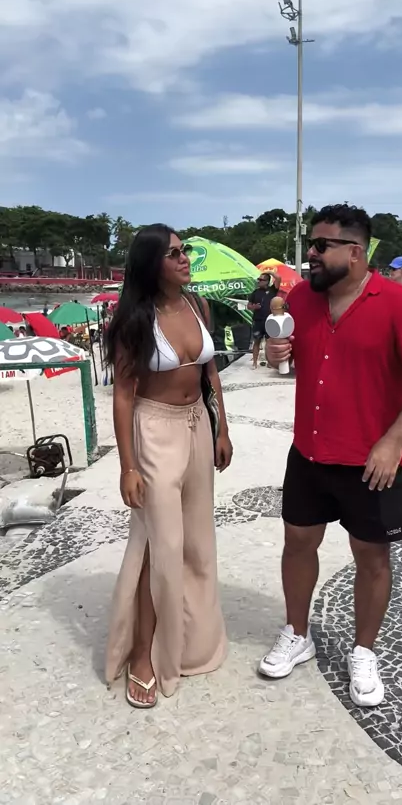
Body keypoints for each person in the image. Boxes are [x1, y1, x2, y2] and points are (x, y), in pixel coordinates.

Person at [260, 204, 402, 707]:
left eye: (322, 246)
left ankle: (364, 650)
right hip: (309, 451)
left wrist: (394, 440)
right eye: (311, 245)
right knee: (298, 543)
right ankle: (297, 633)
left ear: (356, 252)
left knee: (372, 556)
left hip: (372, 460)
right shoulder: (302, 299)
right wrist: (278, 355)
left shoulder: (400, 304)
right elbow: (295, 355)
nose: (311, 255)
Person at [105, 224, 232, 708]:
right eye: (174, 253)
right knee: (160, 546)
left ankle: (190, 644)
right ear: (151, 263)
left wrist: (222, 430)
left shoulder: (198, 306)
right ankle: (142, 654)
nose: (185, 259)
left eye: (185, 251)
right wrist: (127, 466)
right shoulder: (135, 319)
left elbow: (210, 373)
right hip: (154, 430)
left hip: (197, 426)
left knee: (197, 544)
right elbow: (123, 395)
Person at [247, 271, 282, 369]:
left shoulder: (272, 290)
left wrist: (269, 272)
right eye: (258, 279)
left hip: (269, 320)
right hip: (258, 320)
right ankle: (254, 363)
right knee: (256, 341)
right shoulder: (255, 292)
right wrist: (254, 307)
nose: (258, 281)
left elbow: (278, 278)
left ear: (267, 281)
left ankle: (269, 362)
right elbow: (248, 306)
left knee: (269, 342)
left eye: (261, 279)